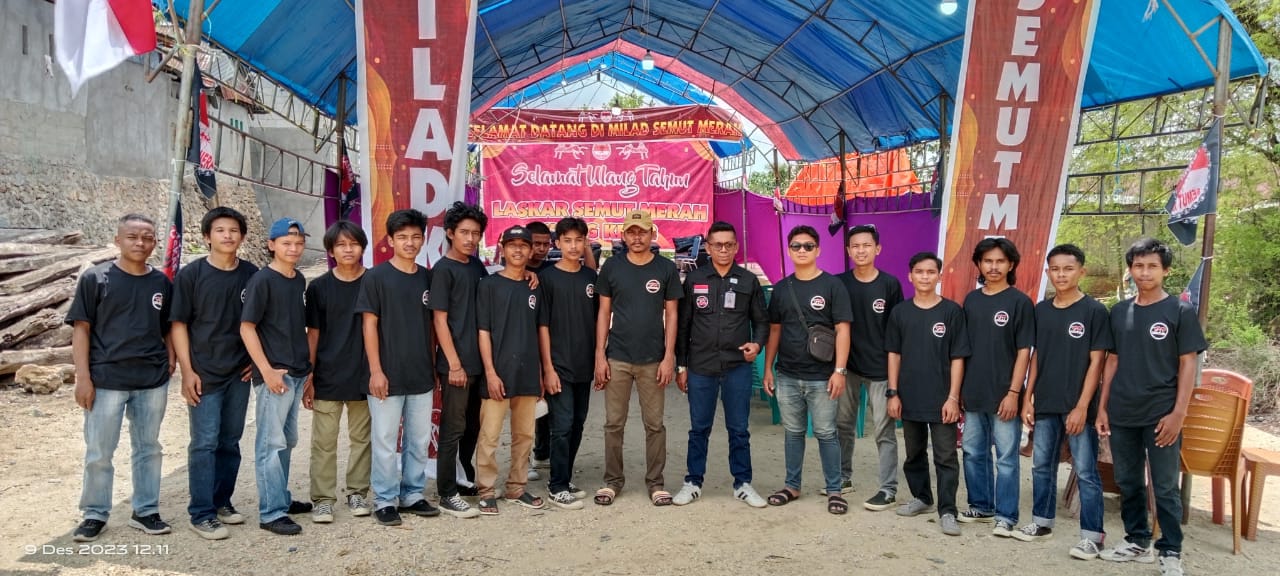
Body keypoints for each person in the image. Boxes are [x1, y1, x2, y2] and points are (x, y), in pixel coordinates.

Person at [1097, 238, 1206, 576]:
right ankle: (1137, 540)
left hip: (1162, 414)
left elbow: (1188, 363)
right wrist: (1102, 407)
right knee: (1128, 480)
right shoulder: (1119, 312)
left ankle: (1170, 550)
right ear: (1130, 270)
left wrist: (1178, 413)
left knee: (1165, 485)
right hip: (1122, 411)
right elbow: (1112, 360)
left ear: (1166, 270)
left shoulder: (1180, 311)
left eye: (1152, 266)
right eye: (1138, 266)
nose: (1145, 272)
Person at [69, 214, 174, 542]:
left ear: (154, 243)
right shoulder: (96, 278)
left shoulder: (161, 283)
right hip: (106, 379)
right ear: (118, 240)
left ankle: (146, 510)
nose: (140, 242)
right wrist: (82, 378)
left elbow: (168, 327)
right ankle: (95, 513)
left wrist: (170, 359)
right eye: (132, 236)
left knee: (148, 448)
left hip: (151, 380)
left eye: (147, 237)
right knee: (99, 451)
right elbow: (81, 329)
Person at [1017, 244, 1109, 558]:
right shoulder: (1041, 310)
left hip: (1078, 406)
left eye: (1068, 269)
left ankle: (1093, 536)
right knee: (1042, 465)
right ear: (1047, 272)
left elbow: (1097, 363)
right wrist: (1028, 398)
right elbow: (1036, 356)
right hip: (1045, 403)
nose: (1061, 275)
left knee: (1085, 471)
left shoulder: (1094, 311)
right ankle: (1042, 522)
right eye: (1055, 269)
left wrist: (1082, 407)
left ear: (1081, 271)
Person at [172, 207, 258, 540]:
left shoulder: (251, 274)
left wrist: (255, 359)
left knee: (230, 440)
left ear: (242, 236)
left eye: (234, 230)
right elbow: (179, 324)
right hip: (204, 373)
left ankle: (222, 501)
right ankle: (201, 513)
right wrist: (187, 371)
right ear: (207, 237)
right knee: (204, 443)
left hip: (239, 373)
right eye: (220, 230)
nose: (227, 236)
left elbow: (261, 321)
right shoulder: (191, 275)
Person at [673, 221, 769, 508]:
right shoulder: (694, 279)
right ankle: (693, 482)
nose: (723, 249)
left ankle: (743, 483)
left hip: (737, 366)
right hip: (701, 367)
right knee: (698, 429)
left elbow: (761, 322)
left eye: (729, 244)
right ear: (708, 247)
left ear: (736, 247)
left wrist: (757, 344)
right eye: (718, 244)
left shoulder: (748, 281)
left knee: (739, 429)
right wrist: (681, 366)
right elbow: (683, 326)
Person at [356, 209, 442, 526]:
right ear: (390, 240)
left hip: (420, 372)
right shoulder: (376, 277)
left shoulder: (427, 278)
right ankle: (385, 499)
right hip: (386, 374)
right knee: (384, 439)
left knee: (418, 440)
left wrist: (433, 366)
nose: (410, 242)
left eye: (416, 237)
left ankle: (412, 494)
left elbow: (433, 326)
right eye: (402, 237)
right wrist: (376, 371)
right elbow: (369, 325)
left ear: (423, 239)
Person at [594, 210, 682, 506]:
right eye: (631, 232)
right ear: (623, 235)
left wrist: (669, 357)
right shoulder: (612, 267)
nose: (637, 237)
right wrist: (600, 355)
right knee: (613, 424)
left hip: (653, 359)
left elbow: (672, 314)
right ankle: (612, 481)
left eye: (642, 231)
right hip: (617, 357)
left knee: (654, 425)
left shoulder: (665, 268)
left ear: (652, 234)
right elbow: (603, 312)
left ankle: (656, 483)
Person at [762, 225, 852, 515]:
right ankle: (792, 486)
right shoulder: (781, 289)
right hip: (787, 374)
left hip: (822, 376)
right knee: (793, 433)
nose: (802, 250)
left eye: (808, 246)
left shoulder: (832, 286)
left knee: (826, 433)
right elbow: (775, 331)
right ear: (789, 251)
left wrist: (839, 370)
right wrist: (768, 368)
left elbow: (843, 329)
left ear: (818, 250)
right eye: (796, 246)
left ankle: (835, 490)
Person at [886, 252, 970, 536]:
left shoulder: (952, 312)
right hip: (909, 396)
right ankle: (922, 497)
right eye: (919, 272)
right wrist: (893, 393)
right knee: (914, 453)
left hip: (942, 399)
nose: (925, 276)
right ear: (910, 276)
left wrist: (953, 397)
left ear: (939, 276)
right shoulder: (900, 313)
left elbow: (958, 357)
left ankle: (948, 511)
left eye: (930, 272)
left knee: (946, 456)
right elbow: (894, 354)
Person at [241, 217, 314, 536]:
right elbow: (247, 327)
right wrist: (266, 370)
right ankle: (271, 512)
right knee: (270, 443)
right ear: (271, 245)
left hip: (296, 371)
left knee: (288, 440)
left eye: (298, 243)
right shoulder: (262, 280)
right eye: (286, 242)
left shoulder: (298, 279)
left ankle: (280, 497)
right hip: (275, 374)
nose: (293, 248)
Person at [958, 237, 1034, 535]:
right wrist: (959, 390)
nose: (993, 266)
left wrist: (1014, 393)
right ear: (978, 264)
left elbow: (1024, 352)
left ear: (1011, 265)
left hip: (1005, 394)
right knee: (972, 451)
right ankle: (981, 506)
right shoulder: (971, 301)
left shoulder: (1020, 302)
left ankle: (1006, 515)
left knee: (1006, 457)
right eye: (987, 261)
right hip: (973, 391)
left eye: (1000, 261)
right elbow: (962, 350)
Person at [302, 221, 372, 524]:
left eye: (353, 244)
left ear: (363, 247)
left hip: (364, 375)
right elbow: (313, 334)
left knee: (362, 440)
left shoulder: (374, 281)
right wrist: (310, 375)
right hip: (327, 375)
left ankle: (357, 493)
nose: (348, 250)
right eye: (341, 245)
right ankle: (322, 500)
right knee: (324, 442)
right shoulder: (318, 287)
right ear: (331, 251)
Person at [475, 225, 547, 514]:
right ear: (502, 249)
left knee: (525, 435)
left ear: (531, 251)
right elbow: (483, 331)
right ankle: (486, 490)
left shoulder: (534, 286)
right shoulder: (488, 285)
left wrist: (541, 372)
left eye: (523, 245)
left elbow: (540, 330)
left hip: (527, 373)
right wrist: (490, 372)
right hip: (498, 374)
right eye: (512, 245)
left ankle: (517, 487)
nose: (518, 250)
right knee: (489, 436)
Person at [835, 223, 904, 510]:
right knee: (843, 425)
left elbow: (897, 331)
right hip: (848, 368)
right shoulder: (839, 283)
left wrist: (894, 379)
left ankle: (888, 489)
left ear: (877, 249)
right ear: (848, 251)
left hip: (881, 371)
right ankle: (842, 478)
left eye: (866, 245)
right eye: (855, 246)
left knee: (883, 432)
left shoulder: (890, 285)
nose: (861, 250)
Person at [429, 202, 489, 518]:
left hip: (479, 362)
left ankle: (463, 480)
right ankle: (447, 492)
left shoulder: (476, 266)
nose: (470, 238)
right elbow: (439, 320)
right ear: (450, 233)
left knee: (472, 426)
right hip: (456, 365)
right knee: (452, 429)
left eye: (475, 233)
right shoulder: (443, 270)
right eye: (464, 232)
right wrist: (453, 364)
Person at [537, 217, 598, 509]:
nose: (573, 246)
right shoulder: (547, 278)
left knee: (577, 424)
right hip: (558, 365)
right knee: (561, 425)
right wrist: (547, 368)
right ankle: (557, 486)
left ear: (585, 242)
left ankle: (565, 476)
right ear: (557, 243)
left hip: (584, 364)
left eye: (579, 240)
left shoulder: (591, 278)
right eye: (567, 240)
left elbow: (599, 319)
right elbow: (542, 326)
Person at [526, 220, 554, 479]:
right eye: (536, 243)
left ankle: (542, 453)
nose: (541, 249)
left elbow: (590, 273)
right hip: (522, 345)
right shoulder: (515, 270)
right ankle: (524, 460)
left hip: (549, 343)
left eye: (546, 244)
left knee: (546, 404)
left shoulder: (551, 270)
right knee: (525, 404)